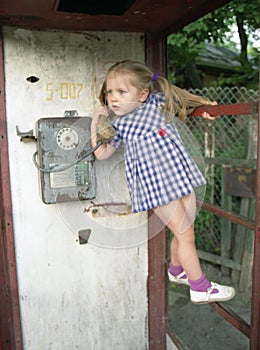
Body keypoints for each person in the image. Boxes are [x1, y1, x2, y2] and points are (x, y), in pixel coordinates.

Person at [91, 59, 235, 304]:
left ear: (143, 94)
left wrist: (204, 108)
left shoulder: (157, 104)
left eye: (121, 92)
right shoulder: (120, 126)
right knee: (186, 235)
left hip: (179, 177)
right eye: (110, 93)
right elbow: (101, 153)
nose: (113, 98)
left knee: (183, 231)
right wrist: (96, 121)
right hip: (155, 188)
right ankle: (200, 287)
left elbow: (183, 105)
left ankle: (177, 270)